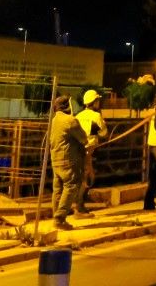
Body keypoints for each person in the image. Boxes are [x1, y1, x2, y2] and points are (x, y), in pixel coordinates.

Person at [48, 95, 88, 229]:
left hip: (55, 160)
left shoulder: (53, 120)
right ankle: (60, 218)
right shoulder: (71, 121)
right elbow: (83, 139)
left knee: (58, 189)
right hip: (68, 160)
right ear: (68, 106)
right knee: (71, 186)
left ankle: (56, 216)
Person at [74, 89, 108, 215]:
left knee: (82, 175)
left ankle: (79, 203)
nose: (99, 102)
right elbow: (104, 133)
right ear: (94, 102)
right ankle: (80, 205)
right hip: (90, 149)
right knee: (88, 176)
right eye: (97, 100)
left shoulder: (78, 116)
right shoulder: (96, 116)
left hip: (78, 149)